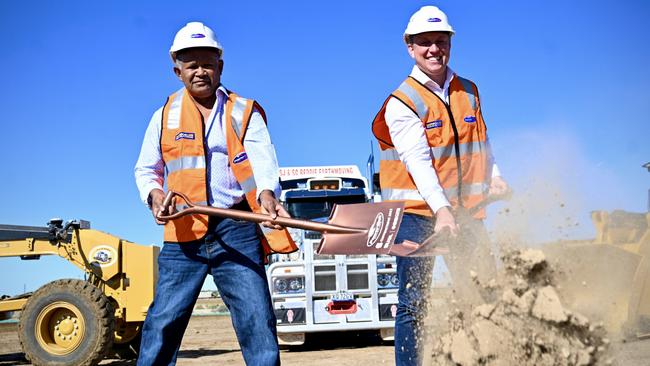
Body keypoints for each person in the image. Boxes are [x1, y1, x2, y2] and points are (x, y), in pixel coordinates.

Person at [134, 21, 296, 366]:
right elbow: (146, 170)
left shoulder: (243, 111)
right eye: (191, 65)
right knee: (162, 323)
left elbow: (264, 160)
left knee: (257, 322)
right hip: (183, 233)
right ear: (177, 70)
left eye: (207, 63)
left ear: (220, 66)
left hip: (236, 229)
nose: (200, 71)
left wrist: (268, 195)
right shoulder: (163, 117)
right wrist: (154, 196)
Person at [371, 6, 509, 365]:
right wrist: (442, 210)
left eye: (440, 41)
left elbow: (482, 142)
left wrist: (495, 177)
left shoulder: (470, 91)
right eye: (425, 43)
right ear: (410, 48)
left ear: (450, 44)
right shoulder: (402, 102)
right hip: (417, 215)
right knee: (414, 302)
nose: (434, 49)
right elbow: (418, 163)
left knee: (482, 292)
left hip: (466, 213)